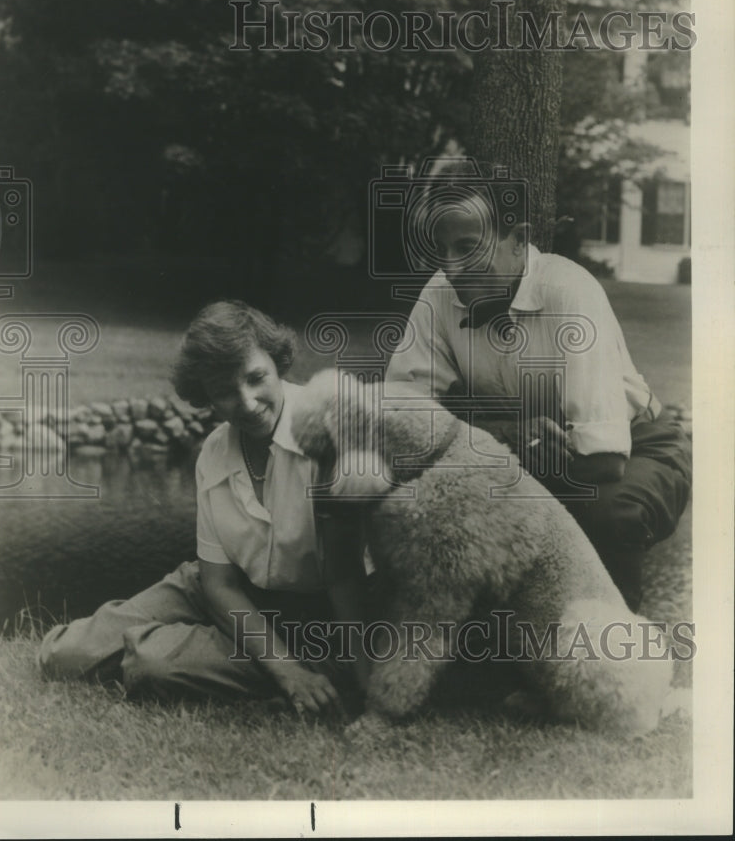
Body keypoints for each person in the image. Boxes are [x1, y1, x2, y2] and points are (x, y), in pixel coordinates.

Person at [385, 159, 691, 612]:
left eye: (468, 246)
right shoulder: (439, 294)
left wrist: (495, 456)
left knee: (605, 513)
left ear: (519, 239)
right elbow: (396, 418)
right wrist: (506, 437)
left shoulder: (570, 291)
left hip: (636, 449)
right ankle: (494, 654)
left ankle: (615, 654)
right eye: (441, 247)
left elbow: (604, 459)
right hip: (524, 452)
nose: (450, 266)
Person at [39, 300, 369, 718]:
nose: (247, 402)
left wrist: (363, 685)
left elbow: (346, 578)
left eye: (255, 378)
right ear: (206, 396)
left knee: (153, 665)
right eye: (225, 391)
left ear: (277, 361)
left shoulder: (329, 435)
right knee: (65, 654)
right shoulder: (214, 451)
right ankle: (224, 645)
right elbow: (218, 583)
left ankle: (229, 652)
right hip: (226, 588)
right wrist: (285, 670)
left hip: (318, 610)